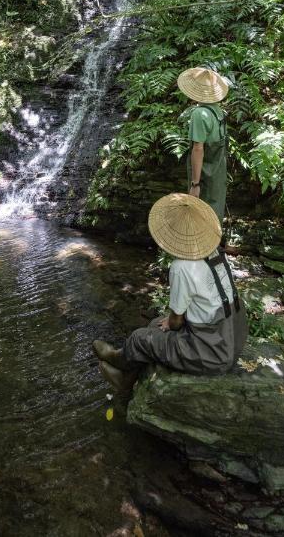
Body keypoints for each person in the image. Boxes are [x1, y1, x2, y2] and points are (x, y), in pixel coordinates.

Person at [93, 193, 247, 393]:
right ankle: (127, 381)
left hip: (213, 352)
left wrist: (170, 322)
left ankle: (118, 359)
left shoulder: (182, 266)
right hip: (233, 335)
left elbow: (176, 322)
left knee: (140, 338)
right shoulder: (215, 252)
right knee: (153, 325)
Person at [178, 67, 229, 223]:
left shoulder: (199, 114)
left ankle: (204, 248)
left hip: (204, 177)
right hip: (218, 176)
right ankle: (213, 246)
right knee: (213, 215)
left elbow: (198, 149)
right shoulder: (219, 112)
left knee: (200, 217)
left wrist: (195, 184)